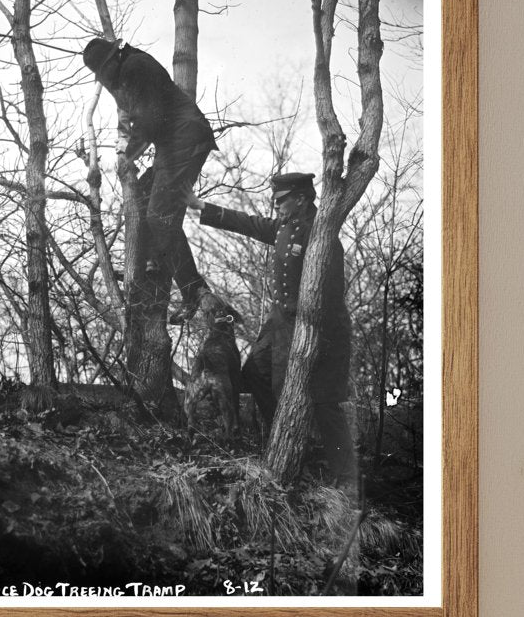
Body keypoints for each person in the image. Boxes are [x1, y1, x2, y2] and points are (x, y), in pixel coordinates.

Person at [185, 172, 354, 483]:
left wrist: (314, 337)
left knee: (324, 402)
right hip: (280, 324)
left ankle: (344, 476)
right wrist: (199, 205)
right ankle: (285, 441)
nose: (275, 207)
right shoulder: (285, 226)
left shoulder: (322, 234)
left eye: (281, 201)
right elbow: (250, 223)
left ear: (301, 199)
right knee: (255, 375)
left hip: (319, 328)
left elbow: (330, 294)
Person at [83, 38, 216, 307]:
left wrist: (129, 154)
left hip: (186, 140)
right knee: (144, 194)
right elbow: (132, 113)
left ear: (112, 60)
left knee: (158, 216)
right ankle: (153, 260)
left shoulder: (136, 67)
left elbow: (149, 119)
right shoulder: (124, 70)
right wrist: (126, 146)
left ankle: (193, 289)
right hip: (174, 142)